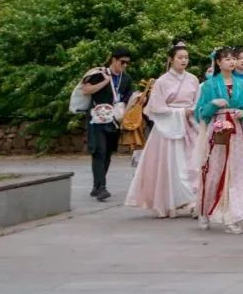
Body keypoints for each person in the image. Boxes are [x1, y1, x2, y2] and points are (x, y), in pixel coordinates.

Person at [125, 40, 201, 218]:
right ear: (171, 59)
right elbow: (156, 107)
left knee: (192, 164)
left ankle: (194, 201)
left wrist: (191, 113)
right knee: (170, 166)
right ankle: (168, 202)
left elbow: (197, 102)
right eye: (180, 57)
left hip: (188, 125)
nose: (184, 60)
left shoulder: (193, 79)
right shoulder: (162, 81)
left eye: (186, 57)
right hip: (168, 127)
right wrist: (180, 112)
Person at [194, 47, 243, 234]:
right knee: (213, 170)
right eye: (227, 59)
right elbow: (201, 113)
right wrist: (213, 105)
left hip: (237, 132)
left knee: (236, 172)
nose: (232, 62)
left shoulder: (240, 84)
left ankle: (231, 216)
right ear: (218, 62)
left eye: (233, 58)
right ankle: (204, 210)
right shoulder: (210, 85)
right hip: (218, 130)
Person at [79, 47, 134, 201]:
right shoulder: (99, 73)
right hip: (97, 118)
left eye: (127, 63)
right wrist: (104, 82)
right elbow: (86, 89)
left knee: (108, 152)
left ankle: (97, 186)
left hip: (114, 120)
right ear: (114, 60)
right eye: (122, 62)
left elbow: (129, 97)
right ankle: (102, 187)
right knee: (99, 151)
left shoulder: (126, 78)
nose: (124, 65)